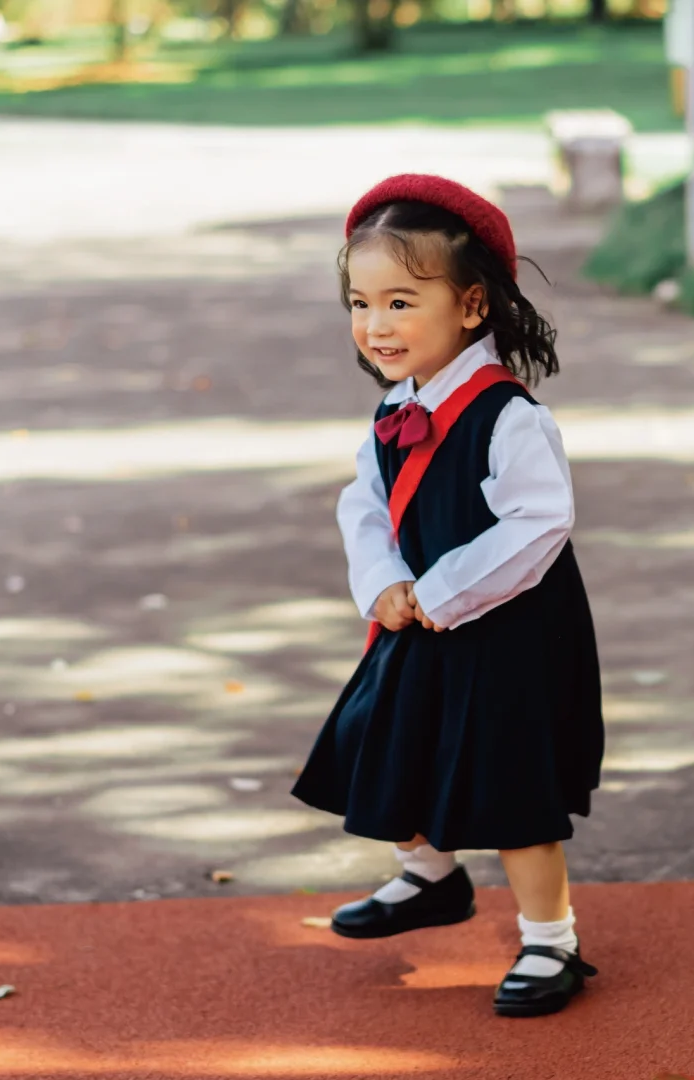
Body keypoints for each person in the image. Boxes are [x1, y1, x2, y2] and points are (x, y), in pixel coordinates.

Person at [291, 174, 605, 1018]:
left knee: (510, 786)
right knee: (382, 743)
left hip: (504, 627)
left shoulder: (507, 416)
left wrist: (441, 591)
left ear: (470, 307)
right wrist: (384, 581)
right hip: (419, 616)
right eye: (361, 304)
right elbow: (364, 503)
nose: (375, 325)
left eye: (400, 302)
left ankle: (551, 942)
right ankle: (430, 875)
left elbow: (540, 523)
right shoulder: (396, 406)